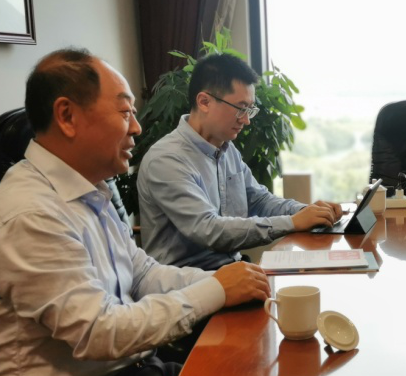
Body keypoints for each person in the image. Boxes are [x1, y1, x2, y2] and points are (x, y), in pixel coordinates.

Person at [0, 48, 272, 376]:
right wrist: (215, 290)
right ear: (67, 116)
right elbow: (99, 332)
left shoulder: (91, 191)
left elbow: (141, 273)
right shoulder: (28, 213)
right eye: (125, 113)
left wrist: (232, 281)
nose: (137, 128)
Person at [137, 53, 343, 270]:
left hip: (232, 269)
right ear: (204, 102)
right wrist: (292, 223)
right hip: (188, 281)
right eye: (240, 108)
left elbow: (260, 200)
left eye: (249, 110)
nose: (246, 120)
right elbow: (209, 230)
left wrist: (308, 212)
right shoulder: (166, 160)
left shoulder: (227, 150)